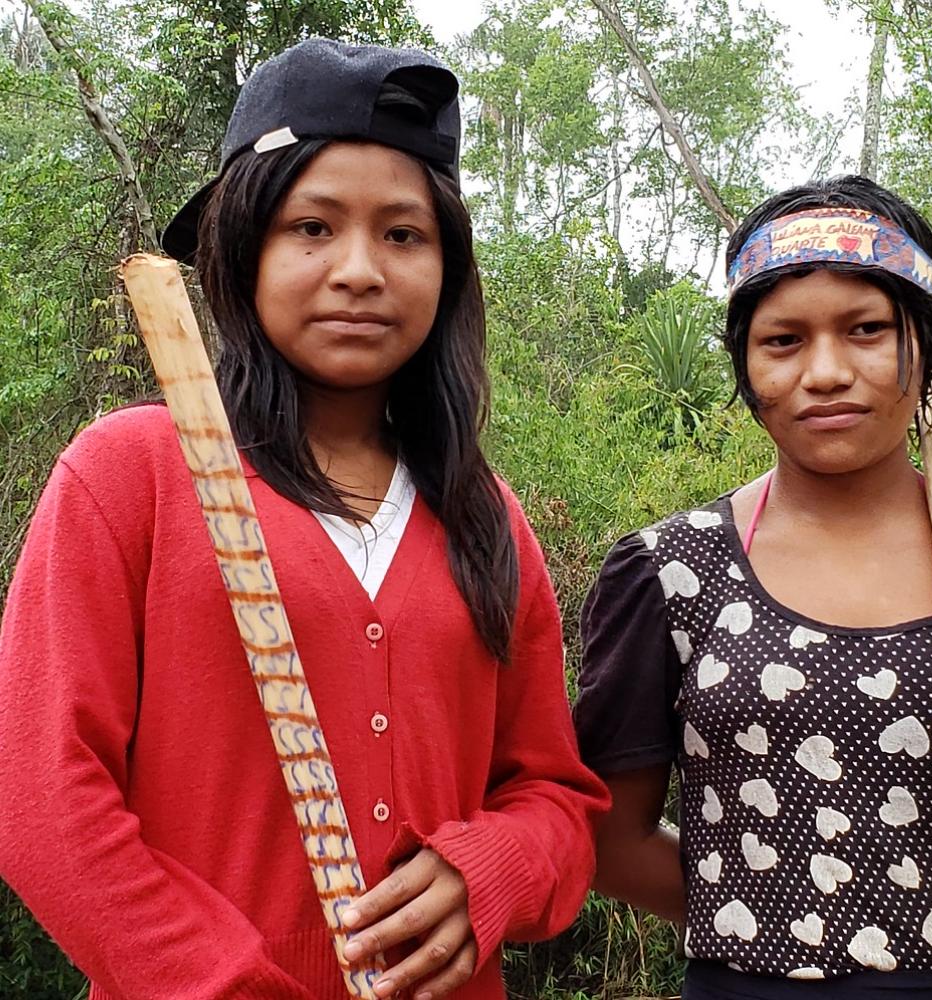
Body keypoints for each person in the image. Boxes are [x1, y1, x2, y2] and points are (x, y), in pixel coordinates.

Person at [0, 37, 607, 1000]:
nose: (360, 270)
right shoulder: (132, 477)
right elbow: (40, 797)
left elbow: (557, 802)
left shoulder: (486, 517)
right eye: (311, 227)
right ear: (241, 252)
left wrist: (490, 868)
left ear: (446, 269)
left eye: (404, 235)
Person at [574, 175, 932, 999]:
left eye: (868, 329)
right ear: (742, 363)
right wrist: (761, 914)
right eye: (783, 341)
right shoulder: (670, 573)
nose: (827, 371)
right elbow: (606, 835)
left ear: (929, 352)